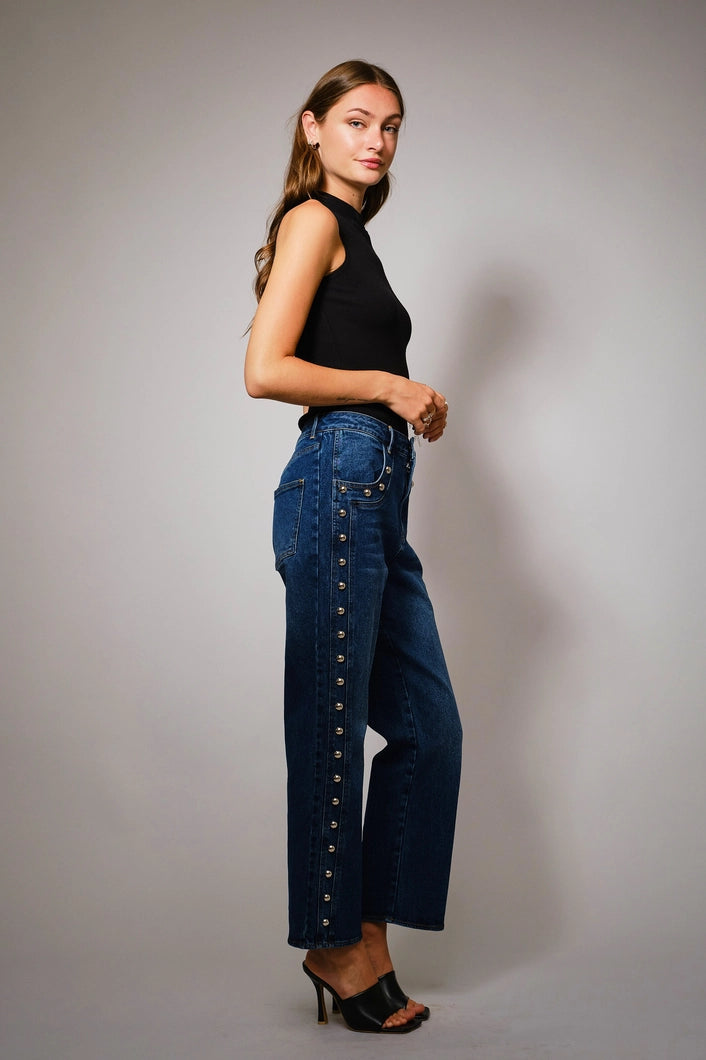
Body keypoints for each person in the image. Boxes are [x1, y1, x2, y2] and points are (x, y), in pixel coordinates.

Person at [244, 59, 462, 1034]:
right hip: (336, 478)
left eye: (392, 126)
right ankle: (333, 943)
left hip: (370, 488)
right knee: (332, 724)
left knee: (426, 729)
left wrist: (400, 400)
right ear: (311, 129)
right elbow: (264, 368)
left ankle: (360, 931)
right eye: (357, 120)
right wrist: (387, 385)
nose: (376, 140)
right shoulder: (314, 222)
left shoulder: (354, 235)